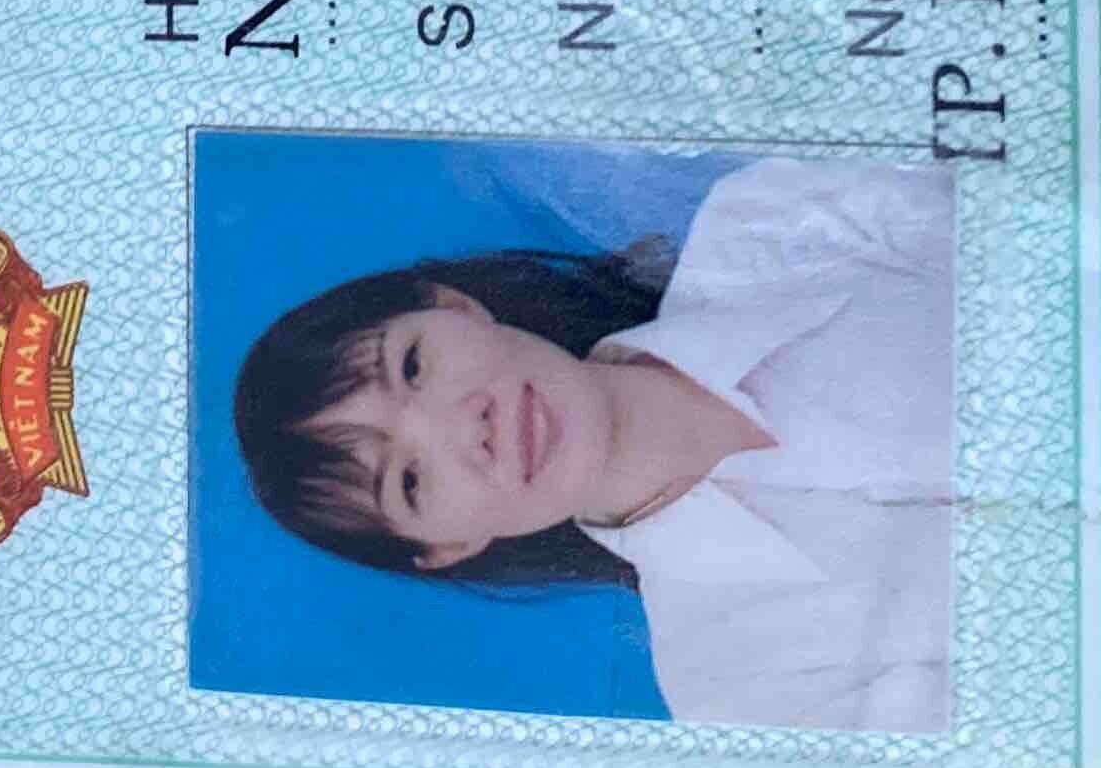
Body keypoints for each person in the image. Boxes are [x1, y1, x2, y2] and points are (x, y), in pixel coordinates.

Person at [229, 156, 959, 731]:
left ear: (454, 306)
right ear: (447, 547)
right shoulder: (733, 686)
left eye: (413, 366)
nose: (464, 426)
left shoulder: (773, 228)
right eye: (410, 481)